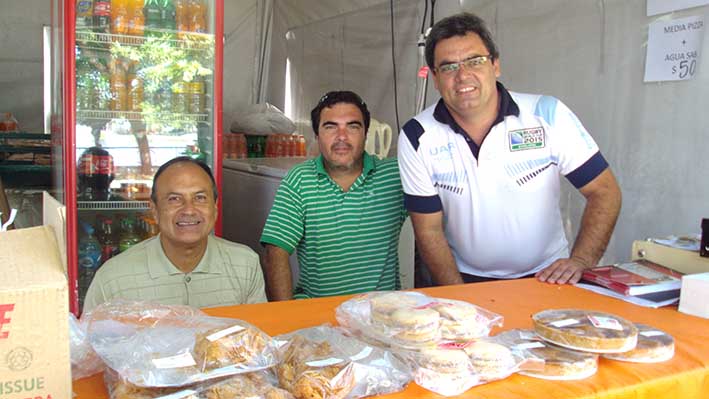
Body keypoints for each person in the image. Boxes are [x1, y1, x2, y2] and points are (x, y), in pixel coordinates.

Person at [397, 13, 621, 286]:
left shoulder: (547, 114)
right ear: (434, 77)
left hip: (548, 278)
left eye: (474, 61)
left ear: (495, 65)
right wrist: (460, 297)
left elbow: (604, 191)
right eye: (448, 67)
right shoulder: (417, 135)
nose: (463, 75)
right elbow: (428, 230)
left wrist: (582, 262)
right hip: (464, 279)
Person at [260, 91, 408, 300]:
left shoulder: (395, 176)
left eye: (353, 126)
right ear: (317, 135)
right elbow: (275, 252)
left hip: (379, 313)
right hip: (317, 314)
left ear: (365, 134)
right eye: (330, 127)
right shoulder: (300, 179)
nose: (342, 137)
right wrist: (286, 316)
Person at [83, 157, 267, 312]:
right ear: (154, 210)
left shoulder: (245, 264)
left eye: (200, 198)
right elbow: (91, 351)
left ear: (215, 207)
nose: (189, 210)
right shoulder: (113, 279)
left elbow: (257, 343)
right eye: (174, 199)